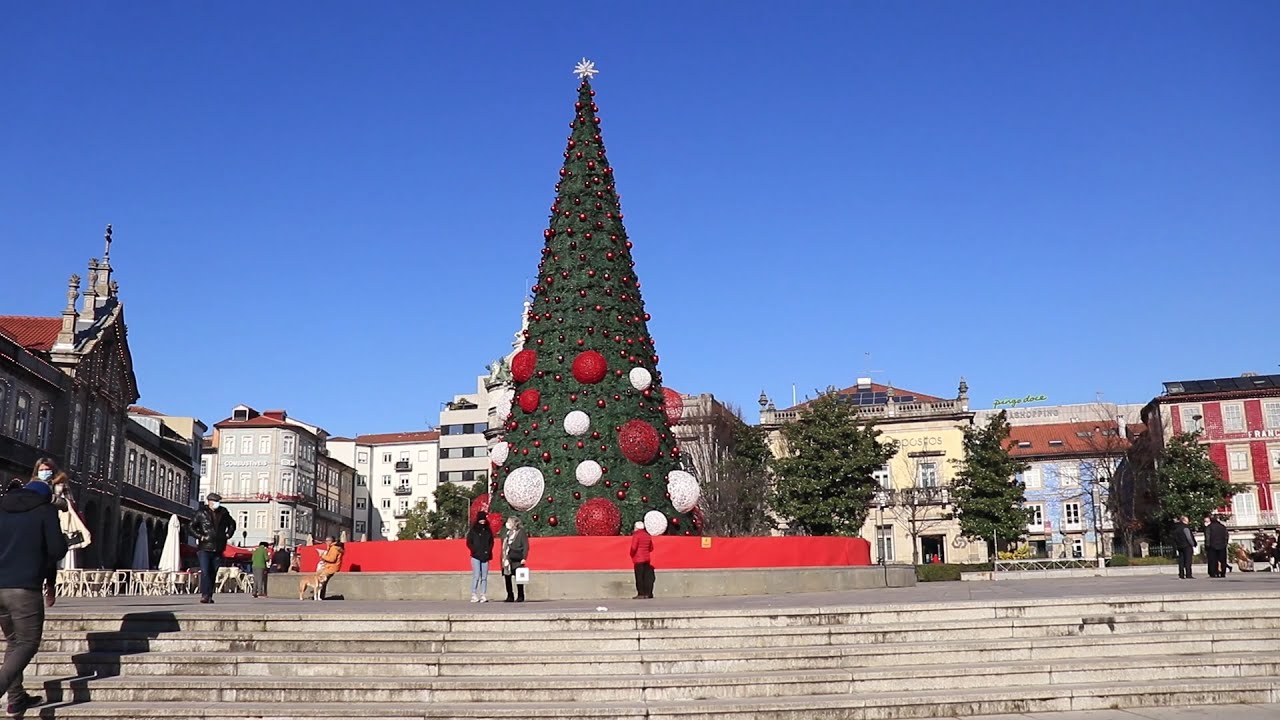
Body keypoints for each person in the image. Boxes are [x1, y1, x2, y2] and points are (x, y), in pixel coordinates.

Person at [0, 469, 68, 717]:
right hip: (24, 588)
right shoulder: (44, 510)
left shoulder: (2, 508)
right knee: (28, 642)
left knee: (14, 642)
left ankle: (16, 699)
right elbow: (57, 550)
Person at [191, 493, 236, 604]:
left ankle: (209, 595)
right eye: (215, 501)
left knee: (213, 572)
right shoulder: (201, 513)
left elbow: (232, 524)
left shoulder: (223, 512)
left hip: (218, 547)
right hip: (205, 547)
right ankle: (205, 595)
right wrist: (200, 536)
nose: (217, 503)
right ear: (209, 502)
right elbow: (191, 526)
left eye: (218, 501)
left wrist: (228, 534)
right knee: (205, 571)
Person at [465, 512, 493, 603]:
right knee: (476, 575)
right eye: (481, 519)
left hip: (485, 556)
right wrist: (474, 550)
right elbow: (469, 542)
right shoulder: (473, 530)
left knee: (484, 577)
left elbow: (491, 542)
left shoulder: (488, 530)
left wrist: (488, 551)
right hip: (476, 556)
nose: (482, 521)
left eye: (484, 519)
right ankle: (474, 594)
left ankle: (483, 594)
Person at [501, 517, 529, 603]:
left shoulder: (521, 533)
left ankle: (520, 595)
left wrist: (524, 558)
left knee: (519, 577)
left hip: (517, 558)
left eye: (509, 522)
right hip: (507, 558)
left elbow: (525, 546)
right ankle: (510, 595)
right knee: (507, 577)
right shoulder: (507, 533)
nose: (507, 524)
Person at [629, 520, 655, 600]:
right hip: (647, 558)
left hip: (638, 559)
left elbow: (634, 547)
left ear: (636, 527)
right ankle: (648, 593)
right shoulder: (647, 535)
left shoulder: (636, 535)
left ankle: (641, 593)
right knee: (646, 577)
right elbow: (651, 548)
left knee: (639, 577)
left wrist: (631, 554)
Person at [1172, 515, 1196, 579]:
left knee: (1181, 561)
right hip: (1187, 546)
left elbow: (1174, 538)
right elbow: (1189, 537)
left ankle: (1181, 574)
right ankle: (1188, 574)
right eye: (1187, 520)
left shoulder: (1176, 529)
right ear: (1184, 520)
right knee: (1188, 560)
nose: (1188, 521)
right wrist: (1193, 544)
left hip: (1179, 546)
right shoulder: (1185, 528)